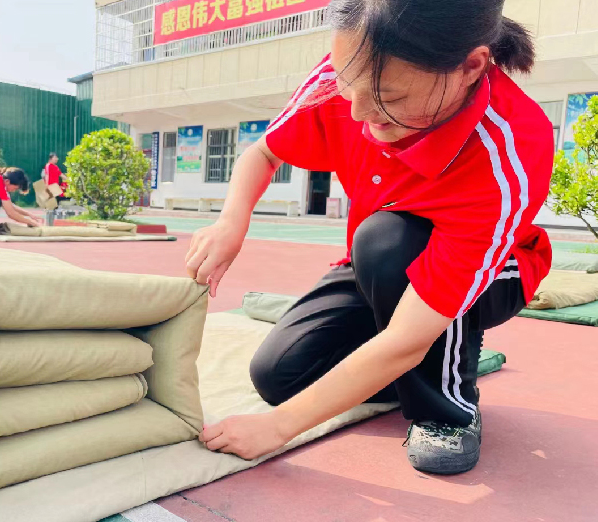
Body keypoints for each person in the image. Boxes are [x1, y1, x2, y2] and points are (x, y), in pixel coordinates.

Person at [187, 0, 553, 475]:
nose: (359, 112)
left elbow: (405, 338)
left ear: (471, 67)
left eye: (389, 98)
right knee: (281, 376)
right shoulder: (356, 70)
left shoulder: (509, 148)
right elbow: (263, 152)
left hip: (489, 270)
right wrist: (230, 223)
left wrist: (278, 428)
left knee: (387, 242)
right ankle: (404, 376)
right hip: (374, 262)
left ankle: (447, 408)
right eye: (348, 87)